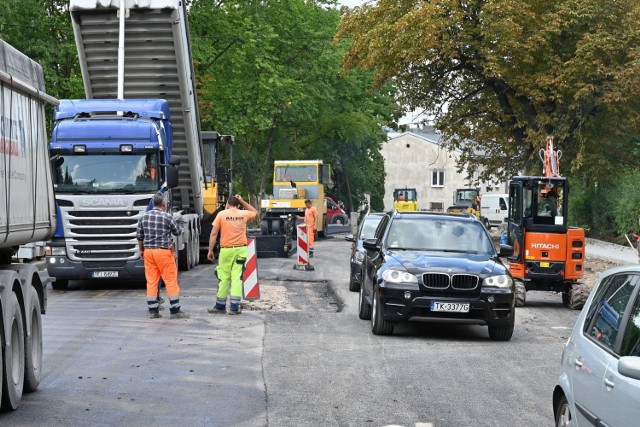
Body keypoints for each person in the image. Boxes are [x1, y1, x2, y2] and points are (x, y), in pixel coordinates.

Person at [136, 192, 189, 319]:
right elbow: (177, 232)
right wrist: (182, 226)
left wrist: (141, 250)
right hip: (163, 252)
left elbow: (139, 236)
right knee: (170, 280)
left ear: (153, 204)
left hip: (149, 252)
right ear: (164, 204)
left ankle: (153, 310)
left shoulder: (144, 217)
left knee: (152, 281)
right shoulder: (167, 217)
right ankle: (175, 310)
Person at [207, 195, 258, 315]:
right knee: (237, 278)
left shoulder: (222, 214)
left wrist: (210, 250)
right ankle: (234, 307)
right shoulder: (244, 214)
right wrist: (243, 201)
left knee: (224, 277)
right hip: (241, 250)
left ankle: (220, 306)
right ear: (238, 204)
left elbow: (214, 233)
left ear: (228, 204)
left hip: (226, 250)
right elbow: (255, 212)